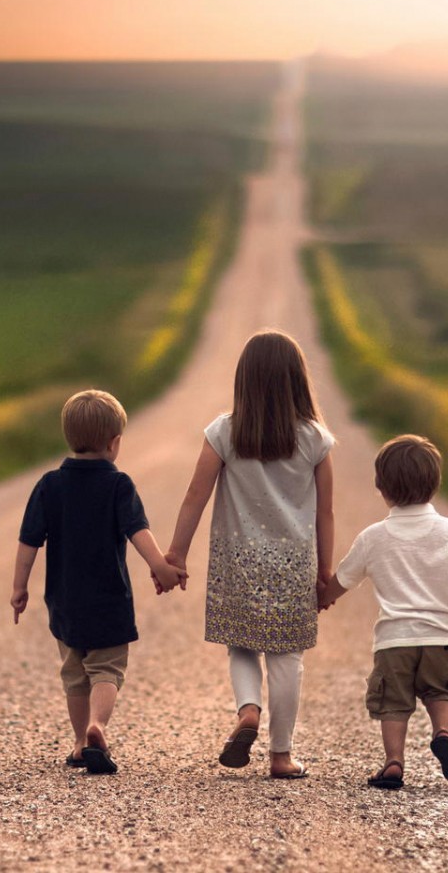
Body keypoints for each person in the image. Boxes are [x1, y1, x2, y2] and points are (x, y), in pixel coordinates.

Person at [163, 330, 335, 780]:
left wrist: (175, 556)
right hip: (293, 565)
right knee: (287, 657)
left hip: (236, 561)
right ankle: (281, 756)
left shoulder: (224, 431)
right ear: (298, 380)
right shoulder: (315, 439)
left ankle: (248, 711)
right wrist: (326, 572)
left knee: (240, 643)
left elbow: (193, 498)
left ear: (244, 380)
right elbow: (327, 514)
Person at [11, 389, 184, 775]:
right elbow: (139, 532)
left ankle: (77, 743)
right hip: (108, 601)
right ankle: (98, 725)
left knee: (74, 674)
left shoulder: (49, 485)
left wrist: (18, 588)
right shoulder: (119, 485)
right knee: (106, 669)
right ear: (114, 443)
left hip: (64, 601)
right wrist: (162, 568)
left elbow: (28, 541)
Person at [318, 434, 448, 790]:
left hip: (394, 640)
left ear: (381, 488)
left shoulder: (373, 536)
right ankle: (443, 733)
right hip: (440, 636)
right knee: (439, 692)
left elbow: (344, 578)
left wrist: (322, 598)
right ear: (435, 484)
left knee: (393, 704)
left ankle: (393, 763)